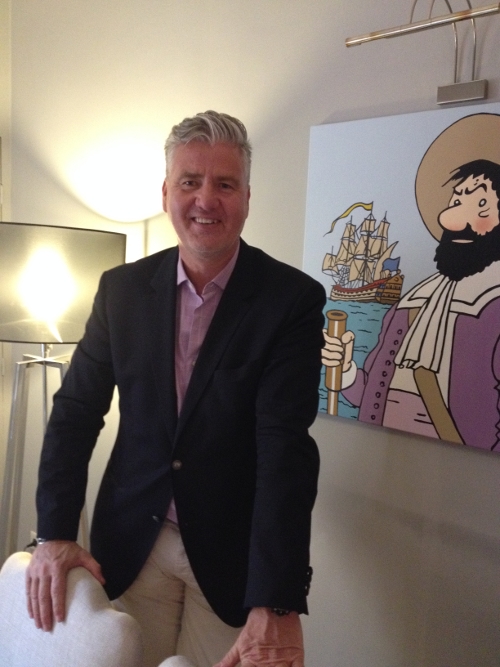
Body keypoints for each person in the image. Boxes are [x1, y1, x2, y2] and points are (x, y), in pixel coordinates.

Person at [25, 110, 326, 667]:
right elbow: (75, 412)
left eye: (225, 184)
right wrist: (54, 533)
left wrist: (277, 597)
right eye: (190, 181)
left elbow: (285, 449)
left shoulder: (291, 301)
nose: (206, 199)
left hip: (230, 556)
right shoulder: (121, 290)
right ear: (166, 193)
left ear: (247, 197)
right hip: (133, 545)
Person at [322, 114, 500, 450]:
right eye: (457, 201)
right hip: (385, 455)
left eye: (481, 204)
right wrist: (345, 369)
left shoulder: (493, 305)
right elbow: (371, 391)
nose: (455, 219)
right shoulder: (411, 303)